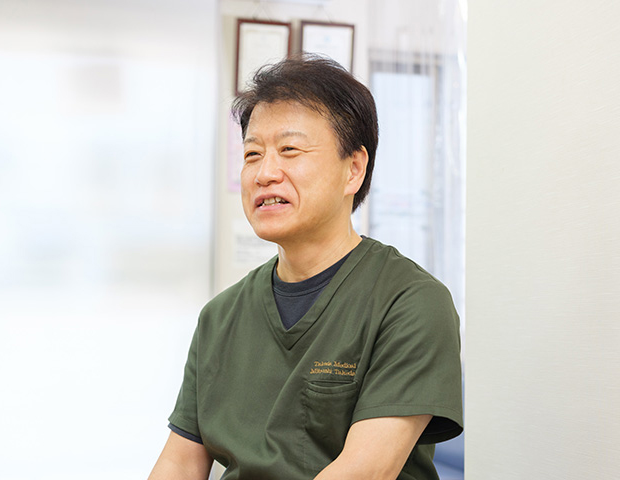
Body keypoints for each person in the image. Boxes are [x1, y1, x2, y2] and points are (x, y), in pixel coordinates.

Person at [148, 55, 463, 480]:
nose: (264, 173)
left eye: (289, 150)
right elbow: (180, 462)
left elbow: (364, 472)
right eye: (252, 154)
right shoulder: (219, 317)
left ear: (353, 169)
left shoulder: (410, 303)